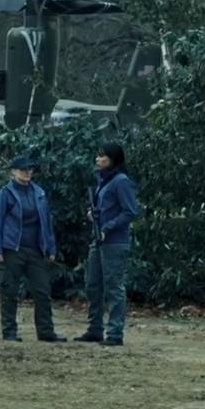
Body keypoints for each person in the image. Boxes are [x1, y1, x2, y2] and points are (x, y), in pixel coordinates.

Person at [0, 155, 62, 343]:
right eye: (23, 170)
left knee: (42, 291)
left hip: (36, 249)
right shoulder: (6, 193)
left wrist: (50, 248)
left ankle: (46, 332)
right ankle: (9, 331)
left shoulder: (39, 192)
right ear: (13, 172)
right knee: (10, 292)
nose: (27, 173)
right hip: (12, 249)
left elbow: (46, 223)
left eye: (30, 169)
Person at [79, 143, 141, 347]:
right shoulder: (103, 181)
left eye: (102, 157)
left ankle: (114, 333)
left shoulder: (121, 181)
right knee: (93, 284)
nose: (98, 160)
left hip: (114, 242)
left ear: (113, 159)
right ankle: (94, 328)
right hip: (98, 240)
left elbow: (130, 211)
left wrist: (108, 226)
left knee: (114, 287)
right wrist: (95, 216)